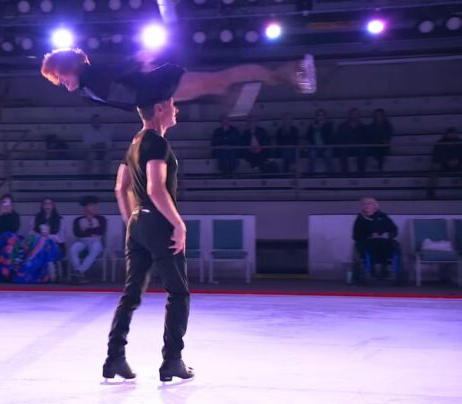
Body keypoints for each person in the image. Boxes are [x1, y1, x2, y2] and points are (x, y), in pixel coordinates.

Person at [104, 97, 193, 383]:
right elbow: (155, 189)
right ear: (158, 109)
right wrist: (178, 224)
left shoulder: (134, 143)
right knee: (178, 293)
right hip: (158, 223)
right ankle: (172, 361)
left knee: (131, 294)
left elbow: (121, 187)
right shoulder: (156, 142)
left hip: (138, 223)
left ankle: (114, 358)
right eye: (172, 105)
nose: (176, 109)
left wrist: (133, 220)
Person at [41, 48, 316, 112]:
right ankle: (282, 76)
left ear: (69, 67)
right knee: (221, 86)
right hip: (160, 93)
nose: (60, 82)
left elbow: (117, 72)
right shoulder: (87, 89)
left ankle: (290, 71)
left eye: (59, 76)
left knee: (222, 80)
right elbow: (124, 97)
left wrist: (138, 61)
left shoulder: (91, 75)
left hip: (163, 84)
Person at [352, 197, 399, 279]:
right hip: (367, 242)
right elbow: (356, 236)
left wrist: (387, 235)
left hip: (384, 241)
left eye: (369, 204)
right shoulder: (360, 219)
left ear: (375, 206)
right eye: (364, 204)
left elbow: (394, 230)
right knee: (372, 244)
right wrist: (369, 236)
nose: (366, 206)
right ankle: (372, 269)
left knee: (393, 244)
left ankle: (385, 269)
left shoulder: (383, 216)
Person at [69, 196, 107, 284]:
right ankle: (80, 273)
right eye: (91, 205)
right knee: (73, 248)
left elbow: (101, 231)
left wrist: (86, 230)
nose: (94, 207)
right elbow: (77, 233)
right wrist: (92, 231)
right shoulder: (78, 220)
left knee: (96, 247)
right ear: (85, 207)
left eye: (95, 205)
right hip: (82, 241)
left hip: (96, 241)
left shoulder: (101, 219)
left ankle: (79, 271)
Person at [32, 198, 66, 280]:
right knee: (40, 245)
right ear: (42, 206)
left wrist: (48, 236)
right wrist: (41, 235)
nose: (47, 206)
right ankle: (42, 275)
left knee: (47, 245)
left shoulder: (60, 219)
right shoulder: (36, 218)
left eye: (50, 203)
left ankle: (51, 274)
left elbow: (61, 239)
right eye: (45, 204)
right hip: (39, 245)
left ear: (53, 206)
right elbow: (31, 234)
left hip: (56, 246)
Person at [336, 108, 368, 173]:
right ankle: (345, 173)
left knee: (363, 152)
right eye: (353, 114)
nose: (355, 116)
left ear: (359, 116)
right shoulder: (342, 126)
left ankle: (361, 173)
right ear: (349, 115)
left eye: (357, 114)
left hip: (358, 146)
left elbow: (365, 139)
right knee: (343, 151)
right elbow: (339, 138)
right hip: (346, 146)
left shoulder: (363, 127)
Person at [306, 108, 335, 174]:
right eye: (319, 115)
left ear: (325, 116)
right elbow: (307, 137)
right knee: (312, 155)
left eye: (322, 115)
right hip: (315, 147)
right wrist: (314, 129)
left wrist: (321, 127)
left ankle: (332, 174)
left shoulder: (329, 125)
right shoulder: (312, 126)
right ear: (316, 117)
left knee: (328, 155)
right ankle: (310, 174)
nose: (320, 117)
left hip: (325, 147)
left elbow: (331, 137)